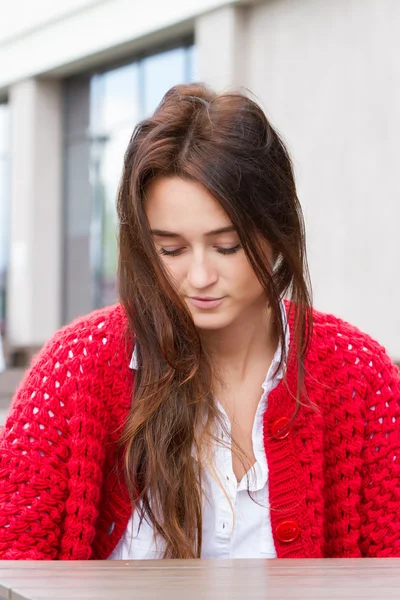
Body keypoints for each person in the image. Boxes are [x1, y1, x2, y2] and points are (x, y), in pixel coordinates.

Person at [0, 83, 399, 561]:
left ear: (277, 232)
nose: (200, 276)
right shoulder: (75, 370)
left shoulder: (360, 377)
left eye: (227, 246)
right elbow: (14, 562)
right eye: (170, 249)